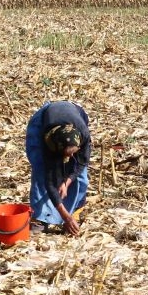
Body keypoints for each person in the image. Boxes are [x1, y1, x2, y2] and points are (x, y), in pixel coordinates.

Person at [25, 101, 91, 236]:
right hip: (46, 118)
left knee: (80, 175)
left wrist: (66, 182)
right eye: (67, 153)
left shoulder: (83, 135)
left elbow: (82, 162)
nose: (71, 155)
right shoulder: (49, 142)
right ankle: (42, 218)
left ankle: (75, 211)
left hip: (75, 112)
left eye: (74, 151)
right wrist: (64, 216)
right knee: (41, 171)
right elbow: (49, 181)